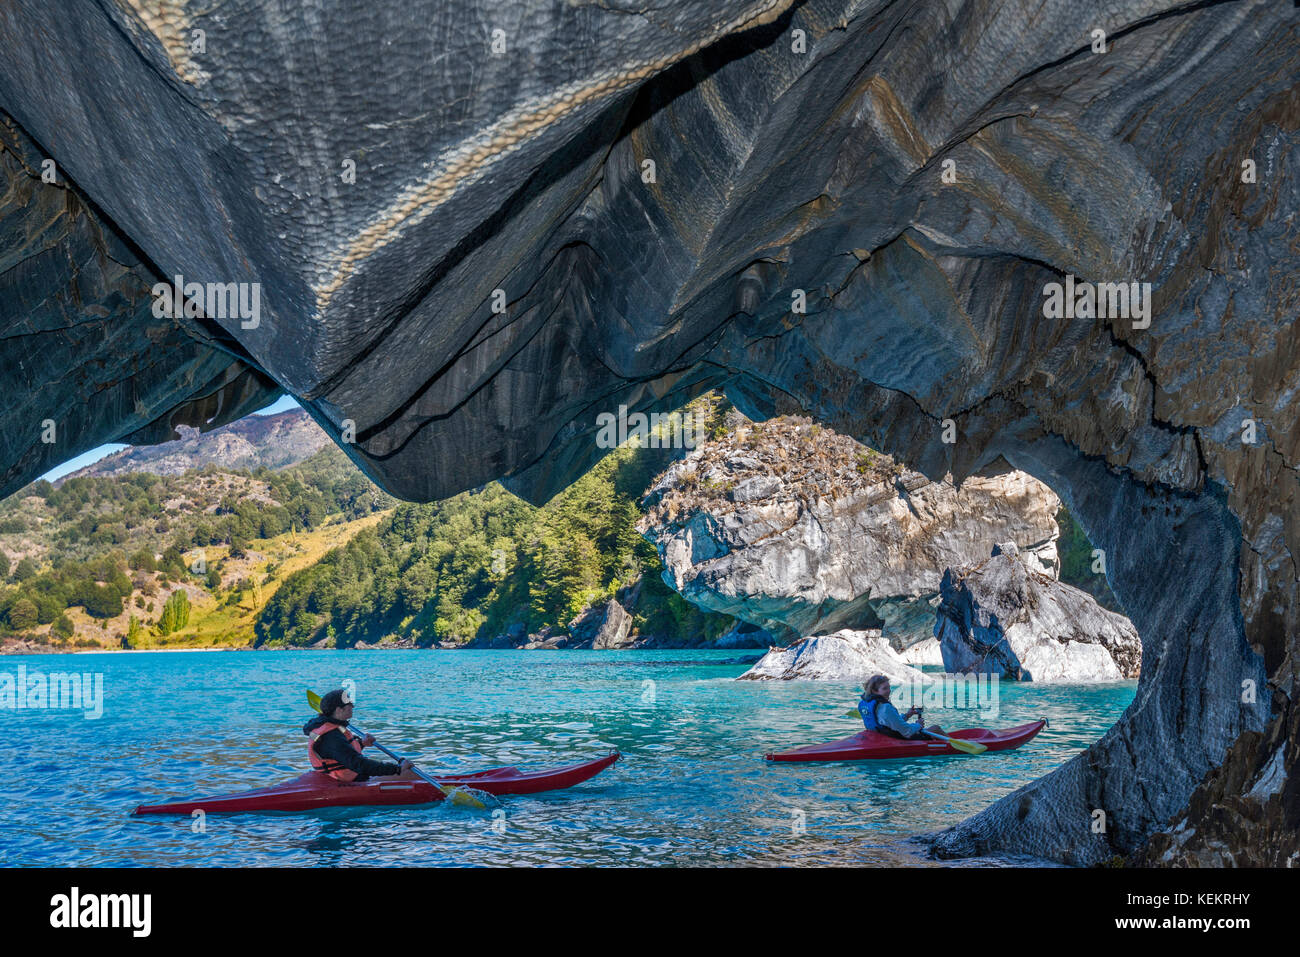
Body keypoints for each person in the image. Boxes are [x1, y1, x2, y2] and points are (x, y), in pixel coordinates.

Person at [304, 688, 418, 782]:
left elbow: (341, 752)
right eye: (350, 704)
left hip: (343, 773)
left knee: (407, 773)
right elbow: (359, 764)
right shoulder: (331, 736)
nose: (353, 707)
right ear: (339, 710)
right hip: (349, 779)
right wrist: (397, 769)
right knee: (410, 775)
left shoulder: (327, 726)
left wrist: (362, 744)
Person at [857, 674, 944, 739]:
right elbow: (907, 731)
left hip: (882, 736)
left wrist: (907, 715)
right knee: (936, 728)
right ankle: (954, 747)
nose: (889, 691)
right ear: (874, 691)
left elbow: (887, 723)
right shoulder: (885, 707)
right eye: (884, 688)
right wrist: (919, 725)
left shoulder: (863, 704)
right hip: (898, 739)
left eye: (889, 687)